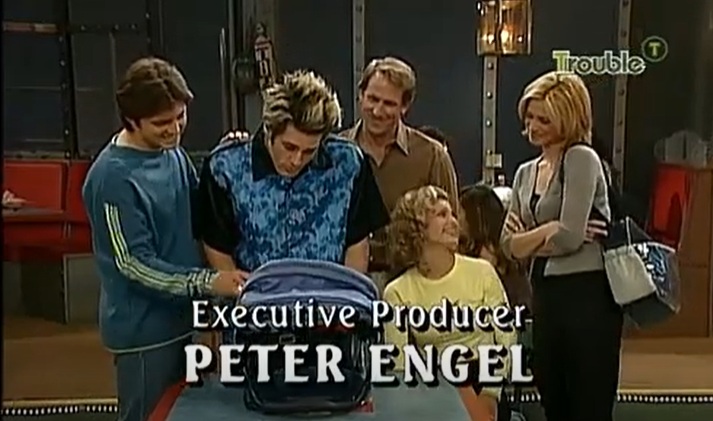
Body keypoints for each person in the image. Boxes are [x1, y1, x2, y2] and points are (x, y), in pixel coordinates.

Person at [82, 57, 245, 421]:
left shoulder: (173, 154)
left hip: (187, 324)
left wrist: (224, 159)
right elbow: (132, 265)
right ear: (132, 120)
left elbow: (197, 210)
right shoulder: (111, 178)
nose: (174, 130)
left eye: (180, 117)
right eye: (161, 123)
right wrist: (208, 282)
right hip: (146, 337)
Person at [501, 71, 622, 421]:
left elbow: (568, 239)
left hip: (587, 295)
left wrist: (534, 238)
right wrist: (550, 229)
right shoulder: (525, 172)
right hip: (545, 294)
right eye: (530, 117)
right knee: (553, 401)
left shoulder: (581, 158)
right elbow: (507, 246)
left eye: (544, 119)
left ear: (568, 119)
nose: (532, 127)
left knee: (588, 407)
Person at [194, 70, 390, 274]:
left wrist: (348, 290)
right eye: (289, 147)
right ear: (269, 130)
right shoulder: (226, 168)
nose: (297, 160)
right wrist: (239, 290)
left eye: (309, 151)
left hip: (330, 290)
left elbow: (357, 243)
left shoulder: (348, 163)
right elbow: (216, 245)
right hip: (256, 290)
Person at [383, 185, 516, 421]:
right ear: (417, 228)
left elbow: (506, 338)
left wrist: (490, 393)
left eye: (452, 214)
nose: (454, 222)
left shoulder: (483, 272)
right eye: (441, 214)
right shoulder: (398, 292)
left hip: (485, 380)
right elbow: (399, 366)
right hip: (434, 389)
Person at [339, 57, 459, 289]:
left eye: (388, 104)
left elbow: (450, 228)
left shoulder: (431, 156)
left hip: (414, 282)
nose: (377, 111)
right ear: (360, 95)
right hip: (347, 279)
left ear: (404, 106)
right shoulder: (336, 153)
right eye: (372, 99)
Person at [459, 184, 531, 309]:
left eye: (458, 212)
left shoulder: (485, 257)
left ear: (474, 216)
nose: (454, 219)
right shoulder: (506, 254)